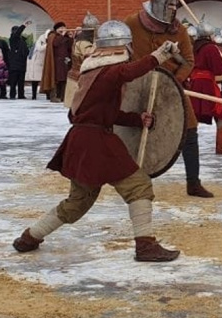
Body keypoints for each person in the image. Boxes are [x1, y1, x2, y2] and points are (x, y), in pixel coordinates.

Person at [11, 22, 183, 262]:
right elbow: (128, 72)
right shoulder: (108, 72)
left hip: (81, 140)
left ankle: (29, 237)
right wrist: (159, 56)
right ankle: (145, 246)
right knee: (138, 186)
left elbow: (95, 112)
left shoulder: (90, 72)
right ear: (122, 47)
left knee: (78, 202)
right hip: (96, 143)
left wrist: (135, 119)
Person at [126, 0, 214, 198]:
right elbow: (123, 54)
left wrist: (174, 83)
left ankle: (193, 183)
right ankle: (137, 184)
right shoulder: (132, 24)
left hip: (172, 89)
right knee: (134, 132)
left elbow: (188, 61)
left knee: (190, 131)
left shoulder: (179, 30)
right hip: (138, 88)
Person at [187, 22, 222, 156]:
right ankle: (221, 147)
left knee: (193, 114)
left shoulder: (193, 47)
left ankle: (182, 143)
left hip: (195, 83)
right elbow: (221, 67)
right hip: (206, 85)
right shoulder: (211, 48)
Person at [63, 14, 100, 111]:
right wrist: (97, 44)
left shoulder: (83, 39)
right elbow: (89, 55)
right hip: (79, 76)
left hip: (81, 75)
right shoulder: (83, 41)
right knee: (79, 108)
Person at [49, 22, 73, 102]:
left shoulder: (65, 38)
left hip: (65, 61)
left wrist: (70, 38)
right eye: (60, 28)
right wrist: (62, 35)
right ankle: (55, 96)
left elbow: (70, 47)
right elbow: (55, 44)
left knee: (64, 79)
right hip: (56, 62)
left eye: (63, 28)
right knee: (57, 79)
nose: (62, 29)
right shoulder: (53, 36)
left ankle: (63, 96)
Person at [7, 22, 31, 99]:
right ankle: (12, 95)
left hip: (22, 64)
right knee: (13, 82)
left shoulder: (23, 42)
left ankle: (21, 95)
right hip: (14, 65)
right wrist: (23, 26)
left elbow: (26, 51)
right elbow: (16, 34)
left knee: (21, 82)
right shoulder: (12, 39)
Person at [28, 27, 51, 100]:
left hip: (45, 62)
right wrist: (47, 44)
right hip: (37, 63)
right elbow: (40, 48)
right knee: (35, 80)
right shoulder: (40, 40)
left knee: (46, 80)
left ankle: (48, 95)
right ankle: (34, 95)